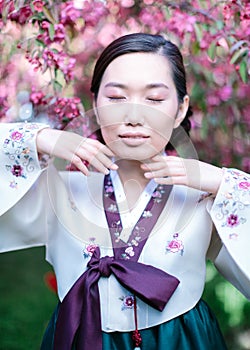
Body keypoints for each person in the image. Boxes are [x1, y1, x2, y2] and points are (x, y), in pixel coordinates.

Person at [0, 33, 250, 350]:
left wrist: (222, 181)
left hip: (183, 340)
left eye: (155, 99)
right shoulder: (60, 188)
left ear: (180, 109)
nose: (133, 116)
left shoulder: (206, 194)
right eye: (116, 98)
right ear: (95, 103)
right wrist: (42, 139)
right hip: (81, 335)